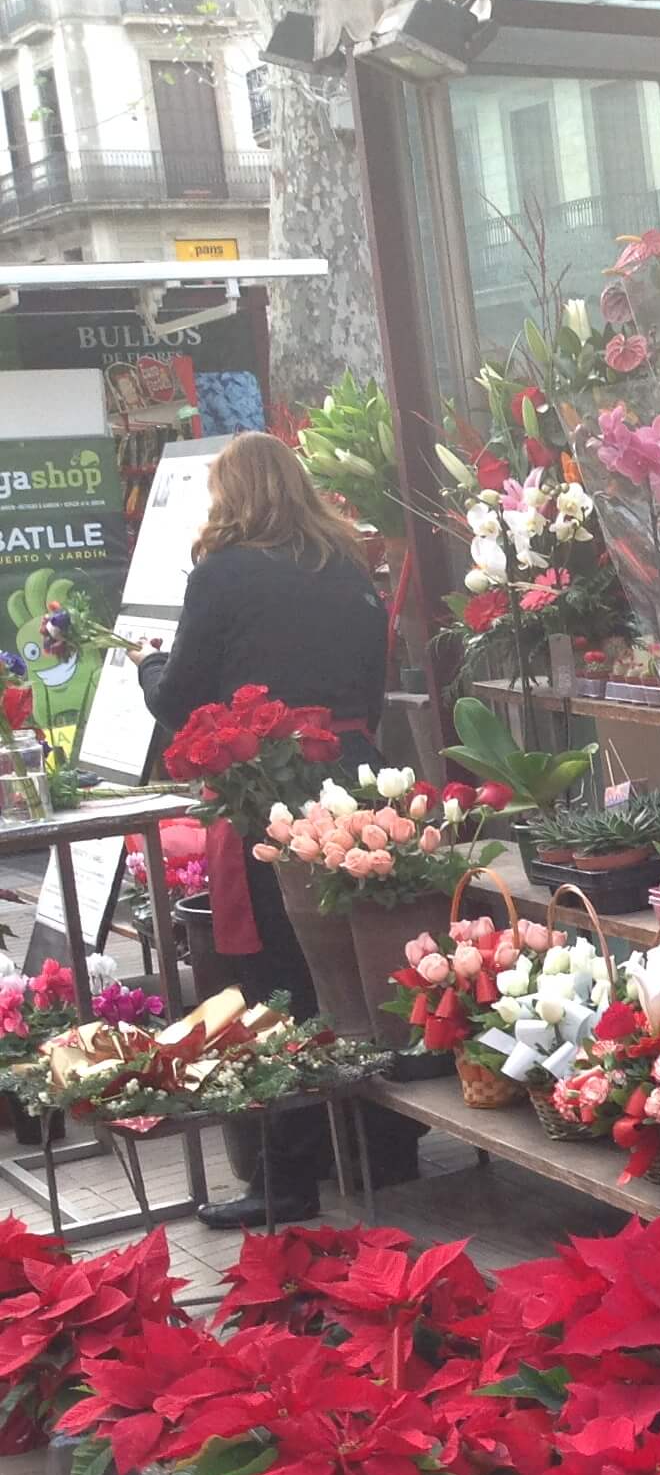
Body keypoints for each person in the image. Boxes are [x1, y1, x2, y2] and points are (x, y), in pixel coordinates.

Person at [138, 432, 421, 1225]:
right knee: (364, 969)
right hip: (357, 776)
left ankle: (287, 1179)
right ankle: (382, 1151)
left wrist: (147, 667)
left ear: (230, 496)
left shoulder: (222, 572)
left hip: (272, 786)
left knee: (279, 982)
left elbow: (180, 698)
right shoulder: (348, 568)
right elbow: (371, 686)